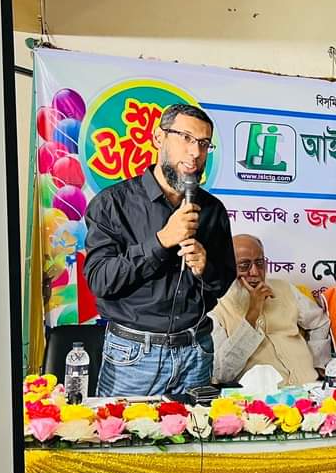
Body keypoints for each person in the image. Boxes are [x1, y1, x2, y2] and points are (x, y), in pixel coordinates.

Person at [83, 103, 235, 398]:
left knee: (197, 429)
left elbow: (222, 282)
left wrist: (205, 267)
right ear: (158, 138)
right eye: (186, 138)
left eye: (204, 144)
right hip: (133, 356)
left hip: (197, 351)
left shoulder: (212, 209)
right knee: (125, 428)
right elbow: (100, 280)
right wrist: (162, 241)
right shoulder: (112, 204)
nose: (195, 152)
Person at [209, 234, 331, 384]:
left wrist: (319, 362)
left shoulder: (284, 288)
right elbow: (221, 373)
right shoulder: (214, 308)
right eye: (244, 266)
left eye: (260, 263)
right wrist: (252, 313)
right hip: (259, 395)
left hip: (310, 387)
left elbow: (319, 323)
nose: (255, 272)